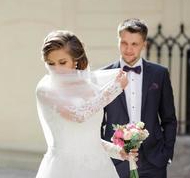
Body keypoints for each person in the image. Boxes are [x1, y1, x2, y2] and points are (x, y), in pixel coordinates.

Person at [35, 30, 137, 178]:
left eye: (62, 62)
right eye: (50, 63)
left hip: (99, 168)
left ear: (75, 60)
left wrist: (118, 151)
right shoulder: (45, 90)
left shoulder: (90, 88)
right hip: (64, 169)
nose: (56, 68)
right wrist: (115, 88)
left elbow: (88, 139)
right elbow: (79, 115)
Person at [101, 18, 177, 178]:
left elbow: (169, 119)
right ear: (118, 41)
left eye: (134, 44)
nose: (128, 49)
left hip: (154, 160)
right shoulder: (103, 76)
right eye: (124, 43)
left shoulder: (159, 74)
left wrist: (166, 154)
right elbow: (98, 122)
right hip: (115, 160)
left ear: (144, 44)